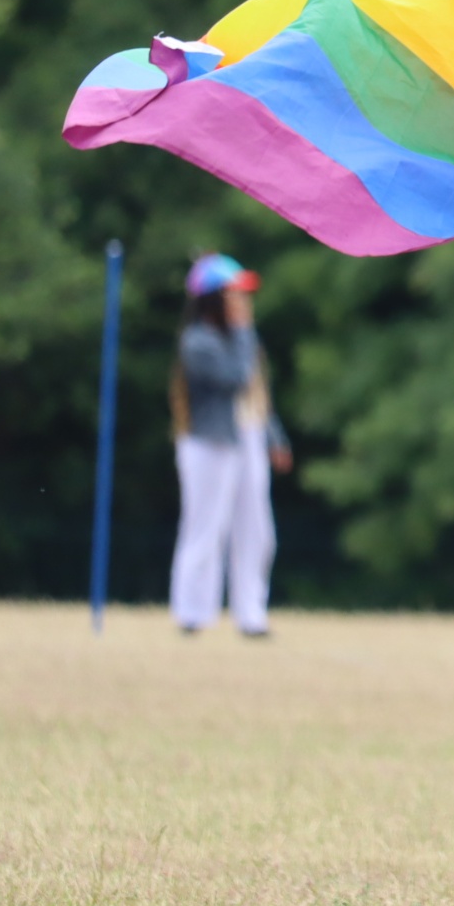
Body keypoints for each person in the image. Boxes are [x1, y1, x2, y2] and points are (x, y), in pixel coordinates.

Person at [169, 253, 291, 638]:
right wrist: (243, 333)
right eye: (233, 294)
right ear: (212, 299)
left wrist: (275, 440)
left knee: (257, 529)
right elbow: (236, 378)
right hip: (210, 443)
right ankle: (192, 613)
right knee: (205, 527)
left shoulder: (241, 339)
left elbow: (257, 397)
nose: (242, 302)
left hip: (248, 436)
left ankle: (251, 613)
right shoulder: (198, 342)